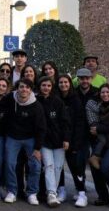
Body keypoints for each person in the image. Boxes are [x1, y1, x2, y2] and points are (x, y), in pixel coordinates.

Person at [2, 79, 47, 205]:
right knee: (10, 164)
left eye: (27, 87)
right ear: (17, 88)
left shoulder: (37, 105)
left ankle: (32, 193)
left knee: (36, 166)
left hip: (30, 138)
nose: (24, 89)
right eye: (21, 87)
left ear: (31, 90)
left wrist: (37, 148)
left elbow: (41, 128)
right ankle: (12, 191)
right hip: (12, 137)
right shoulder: (10, 99)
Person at [36, 76, 70, 208]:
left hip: (59, 140)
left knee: (58, 167)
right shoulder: (36, 101)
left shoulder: (58, 102)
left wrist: (66, 138)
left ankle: (52, 192)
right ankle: (51, 194)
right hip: (44, 141)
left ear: (51, 87)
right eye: (43, 85)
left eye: (48, 86)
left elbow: (65, 122)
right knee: (49, 166)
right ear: (40, 86)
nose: (46, 88)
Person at [57, 74, 89, 207]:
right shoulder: (56, 98)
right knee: (59, 167)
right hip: (58, 138)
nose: (63, 84)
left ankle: (81, 193)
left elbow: (80, 121)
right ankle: (61, 190)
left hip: (74, 138)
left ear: (70, 83)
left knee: (76, 167)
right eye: (61, 82)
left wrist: (75, 141)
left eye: (66, 82)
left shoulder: (75, 99)